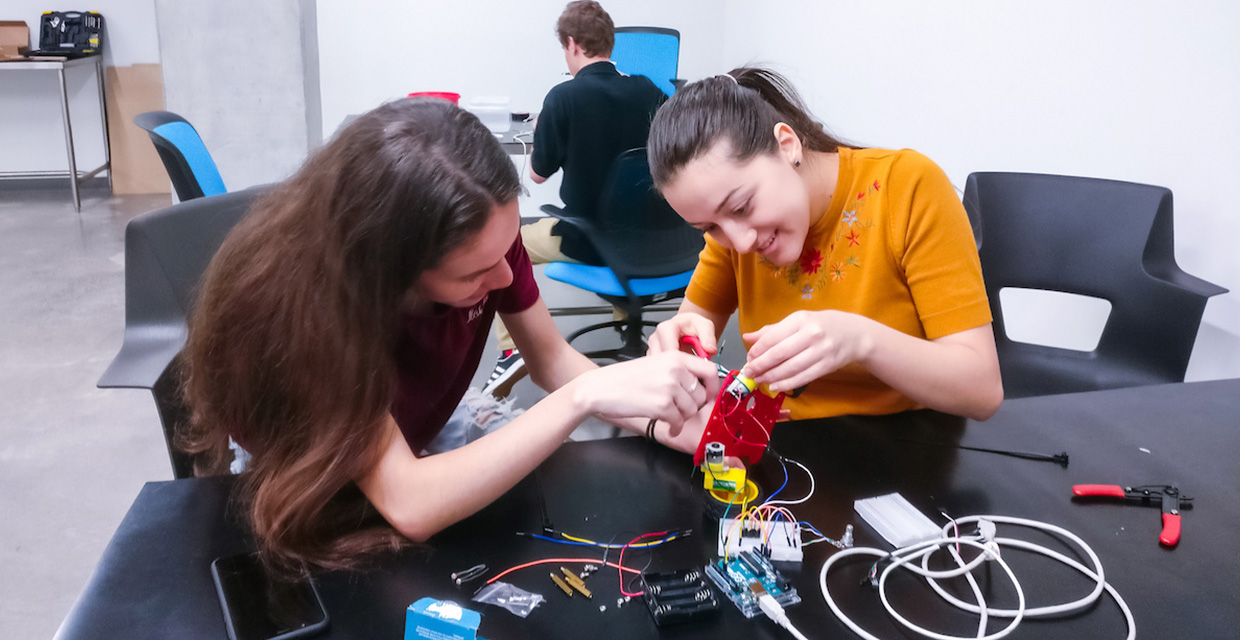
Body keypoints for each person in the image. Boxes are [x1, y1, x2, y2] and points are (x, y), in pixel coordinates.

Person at [181, 98, 717, 577]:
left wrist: (661, 421)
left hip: (418, 431)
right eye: (472, 276)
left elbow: (551, 360)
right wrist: (588, 397)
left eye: (507, 250)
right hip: (318, 471)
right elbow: (408, 502)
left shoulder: (485, 241)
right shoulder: (305, 316)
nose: (506, 279)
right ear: (388, 270)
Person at [645, 68, 1004, 422]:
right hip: (783, 451)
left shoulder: (906, 188)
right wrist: (673, 354)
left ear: (787, 145)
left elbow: (981, 390)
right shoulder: (734, 231)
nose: (740, 242)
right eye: (708, 227)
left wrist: (860, 340)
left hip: (910, 449)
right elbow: (686, 340)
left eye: (742, 207)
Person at [486, 0, 668, 395]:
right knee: (625, 217)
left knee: (502, 249)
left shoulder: (562, 98)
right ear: (608, 43)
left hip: (591, 242)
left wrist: (549, 125)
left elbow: (536, 172)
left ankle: (511, 351)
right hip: (656, 242)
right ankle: (628, 327)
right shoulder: (650, 90)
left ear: (571, 44)